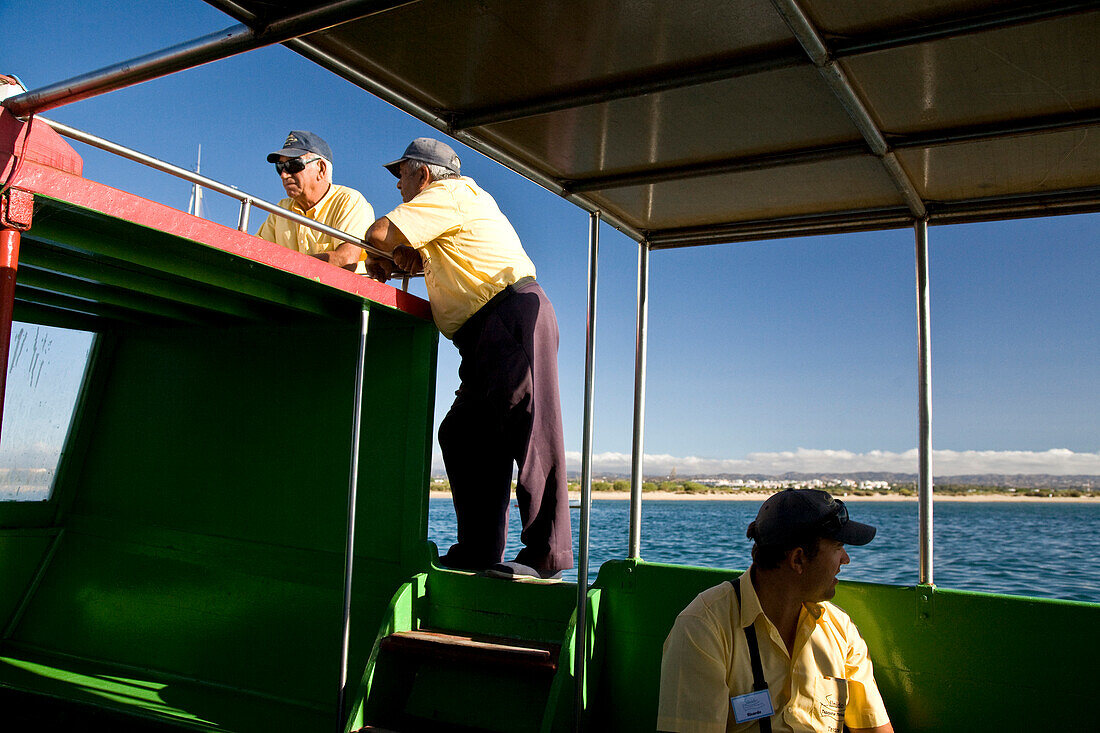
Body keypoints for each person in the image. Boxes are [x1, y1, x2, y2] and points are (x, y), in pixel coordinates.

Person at [363, 137, 572, 581]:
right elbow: (417, 256)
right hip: (480, 336)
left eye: (401, 174)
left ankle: (546, 555)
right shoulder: (444, 215)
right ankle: (479, 550)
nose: (398, 185)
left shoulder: (449, 194)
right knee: (462, 434)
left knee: (531, 430)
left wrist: (382, 250)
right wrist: (401, 260)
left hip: (510, 315)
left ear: (422, 173)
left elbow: (378, 234)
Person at [658, 489, 893, 733]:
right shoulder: (704, 627)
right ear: (798, 560)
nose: (846, 559)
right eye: (837, 547)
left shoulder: (840, 629)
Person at [256, 130, 374, 273]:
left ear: (321, 168)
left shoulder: (349, 201)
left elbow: (346, 259)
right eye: (279, 167)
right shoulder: (282, 209)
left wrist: (286, 264)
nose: (284, 174)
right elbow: (257, 253)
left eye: (293, 165)